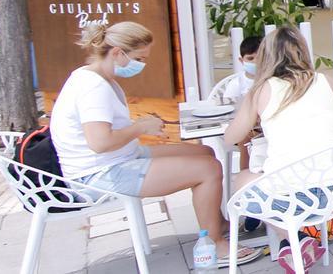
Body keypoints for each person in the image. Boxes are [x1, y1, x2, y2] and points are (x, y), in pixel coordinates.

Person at [51, 22, 260, 266]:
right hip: (100, 174)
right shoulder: (94, 87)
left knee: (205, 152)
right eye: (139, 58)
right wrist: (140, 127)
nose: (142, 64)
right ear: (118, 53)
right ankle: (215, 244)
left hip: (120, 158)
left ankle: (217, 223)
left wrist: (139, 126)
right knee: (208, 169)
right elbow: (99, 142)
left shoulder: (94, 77)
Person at [224, 26, 333, 270]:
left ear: (266, 56)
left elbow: (230, 137)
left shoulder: (261, 90)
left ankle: (293, 239)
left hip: (292, 198)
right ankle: (295, 242)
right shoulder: (325, 80)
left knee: (242, 180)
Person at [217, 35, 263, 105]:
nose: (256, 61)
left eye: (260, 57)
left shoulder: (274, 81)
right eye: (250, 58)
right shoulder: (236, 84)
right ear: (241, 60)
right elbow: (228, 107)